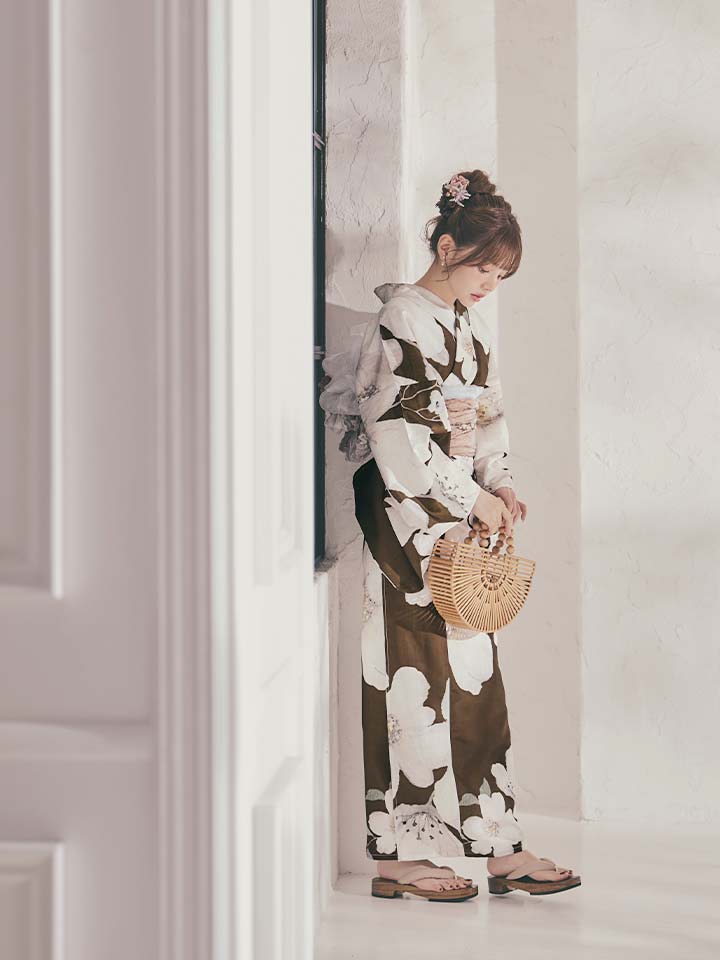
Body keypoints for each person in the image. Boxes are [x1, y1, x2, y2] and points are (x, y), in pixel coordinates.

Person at [320, 169, 581, 902]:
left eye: (501, 275)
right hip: (407, 515)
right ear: (445, 247)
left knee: (474, 675)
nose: (491, 284)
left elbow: (489, 417)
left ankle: (498, 845)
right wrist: (469, 495)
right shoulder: (402, 317)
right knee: (409, 676)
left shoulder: (469, 326)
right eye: (484, 268)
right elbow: (395, 433)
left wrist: (499, 484)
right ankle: (398, 857)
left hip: (457, 514)